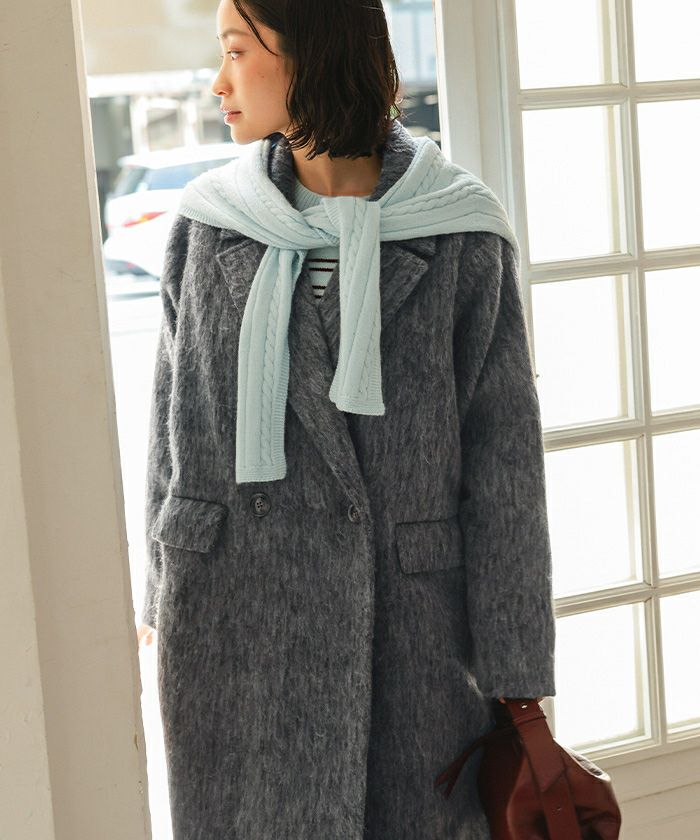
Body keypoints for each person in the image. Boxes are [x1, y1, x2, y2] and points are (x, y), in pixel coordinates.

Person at [137, 1, 556, 837]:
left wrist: (520, 681)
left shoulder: (461, 231)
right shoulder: (206, 225)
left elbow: (505, 469)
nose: (218, 82)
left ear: (311, 52)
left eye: (236, 51)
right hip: (231, 619)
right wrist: (159, 592)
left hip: (413, 636)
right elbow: (168, 430)